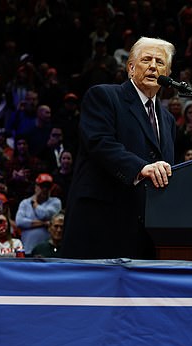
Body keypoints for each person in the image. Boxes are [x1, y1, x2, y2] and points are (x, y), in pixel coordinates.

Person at [62, 37, 177, 260]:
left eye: (160, 62)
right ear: (131, 68)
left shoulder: (168, 119)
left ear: (168, 74)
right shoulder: (104, 96)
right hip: (102, 225)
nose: (153, 66)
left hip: (146, 234)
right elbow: (100, 143)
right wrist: (141, 168)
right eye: (146, 60)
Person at [15, 173, 62, 255]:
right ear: (36, 187)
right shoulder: (25, 203)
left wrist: (35, 204)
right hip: (27, 249)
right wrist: (44, 223)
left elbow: (44, 215)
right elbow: (20, 222)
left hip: (47, 250)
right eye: (42, 186)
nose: (45, 189)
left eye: (48, 187)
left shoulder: (55, 202)